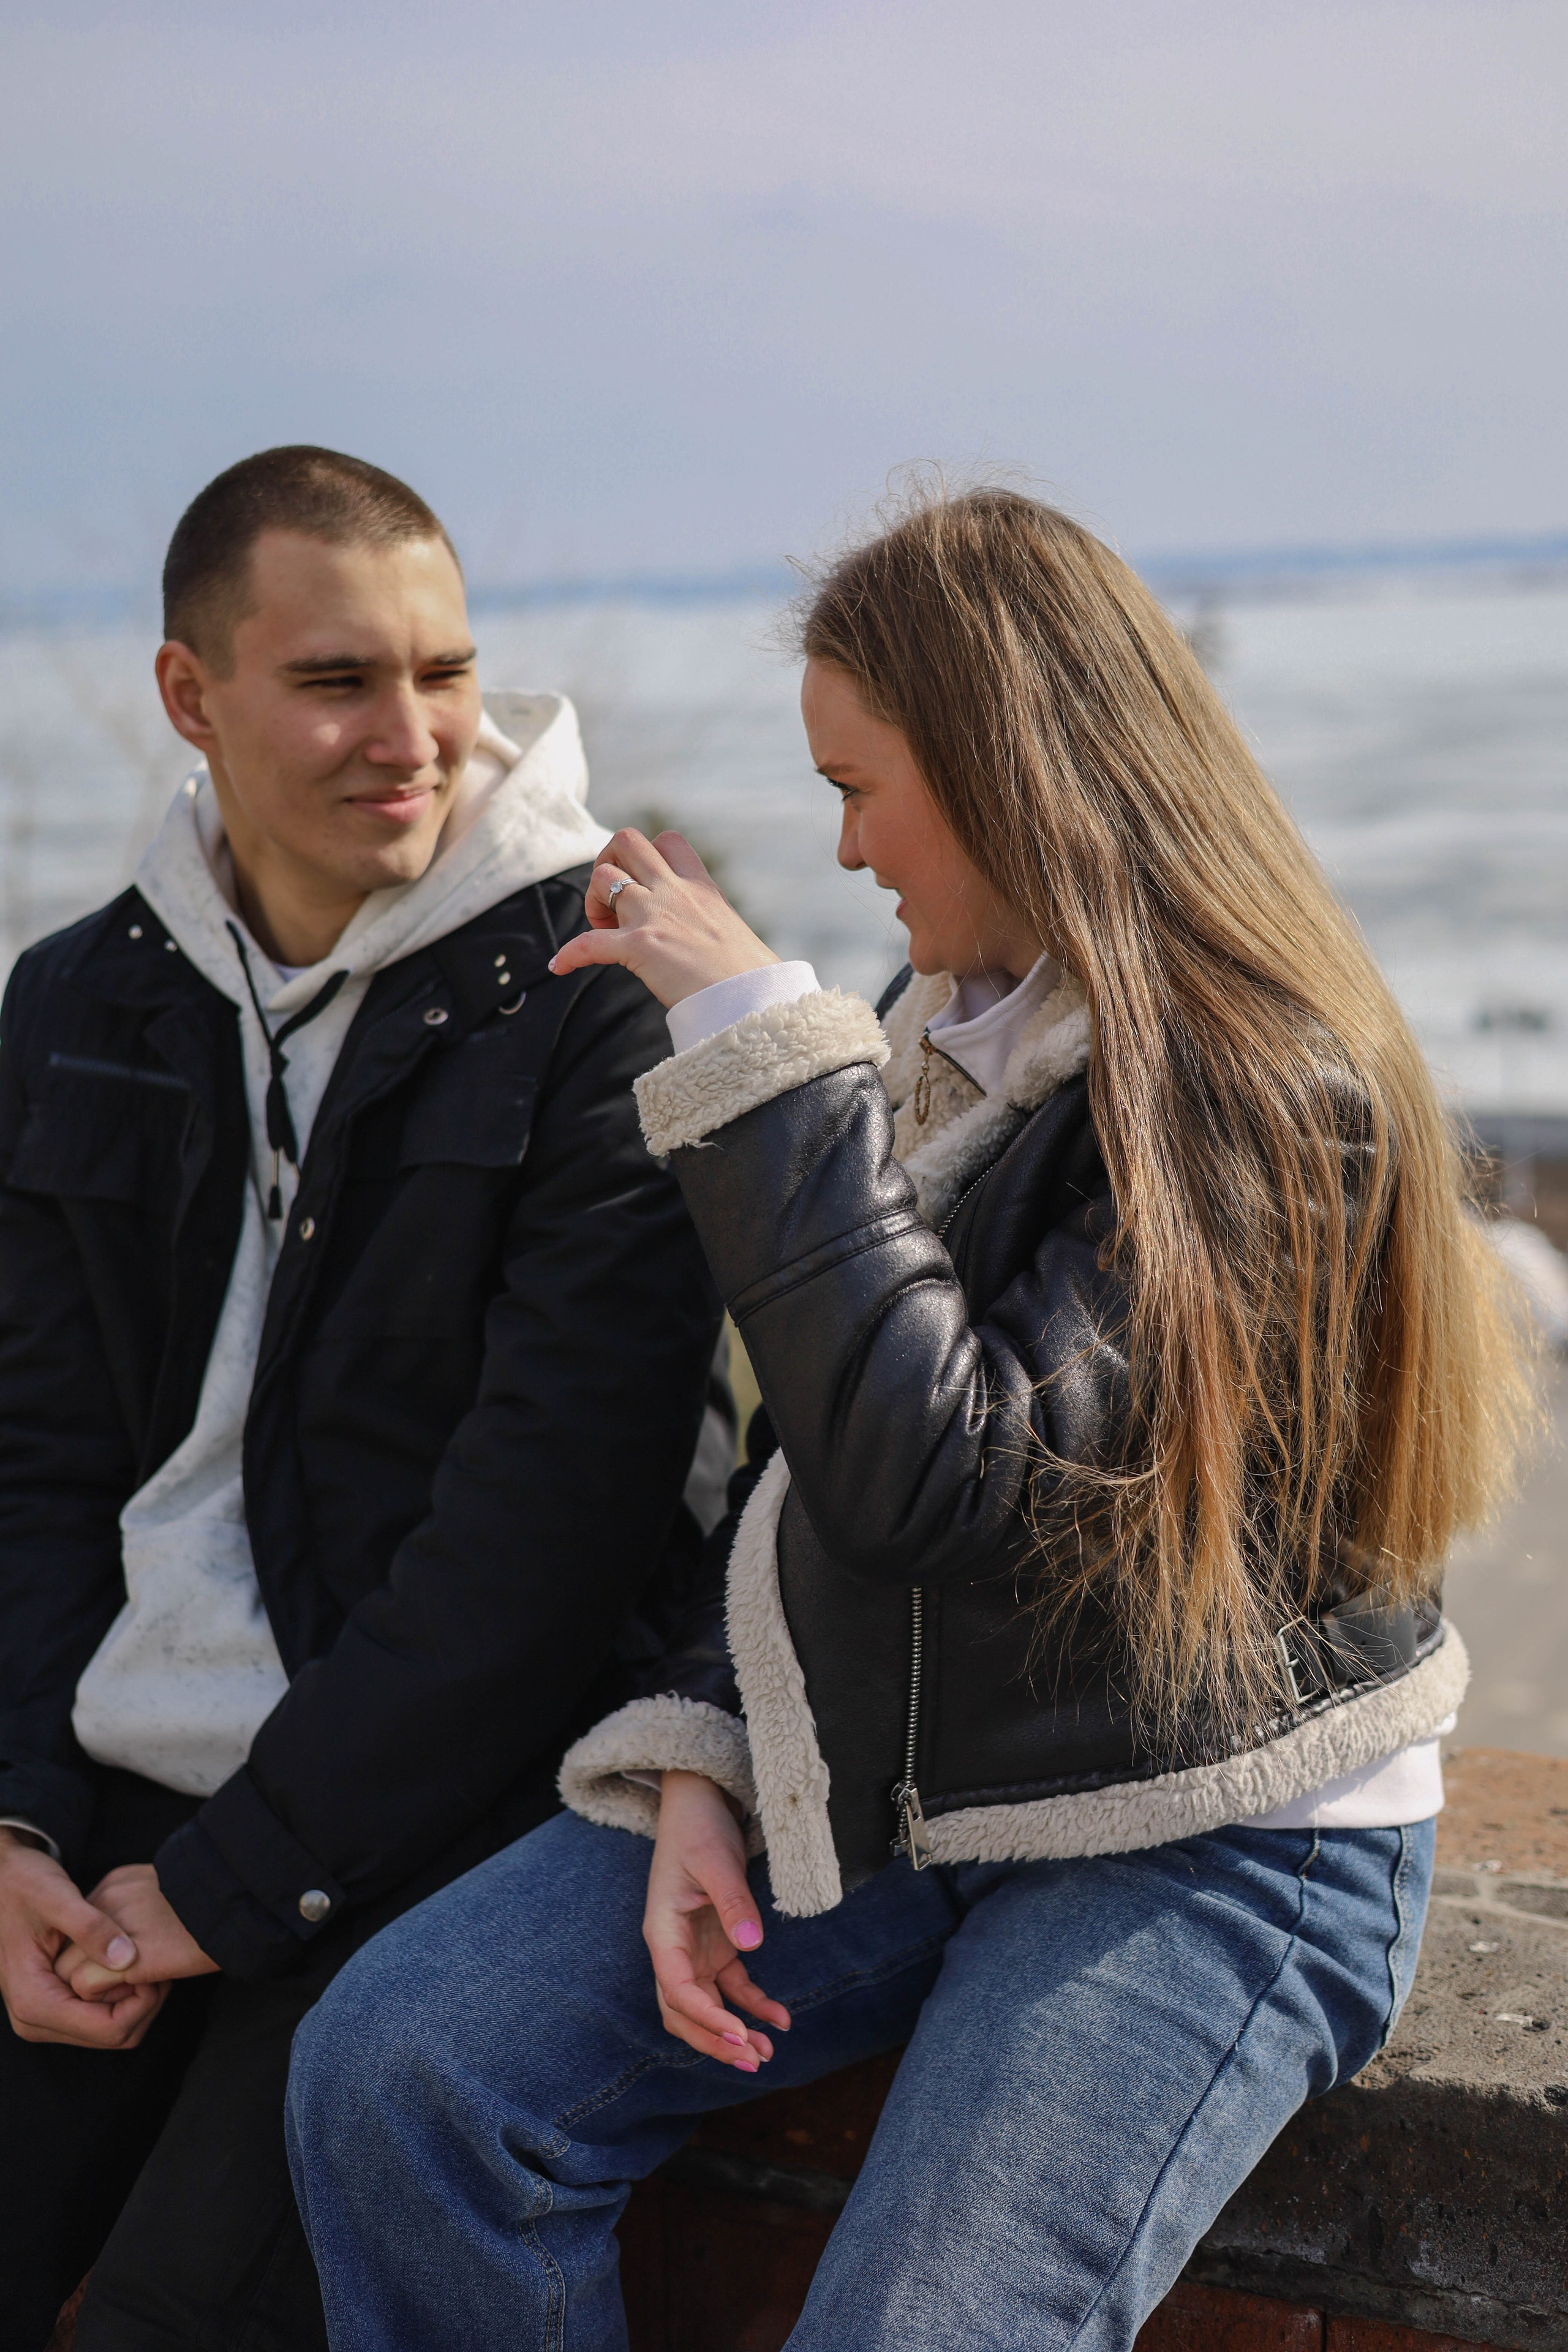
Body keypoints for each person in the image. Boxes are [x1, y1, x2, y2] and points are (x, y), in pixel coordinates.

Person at [285, 488, 1530, 2352]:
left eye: (862, 784)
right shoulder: (957, 1007)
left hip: (1213, 1837)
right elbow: (809, 1472)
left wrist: (764, 1074)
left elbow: (951, 1477)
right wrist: (708, 1748)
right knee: (400, 2074)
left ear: (1003, 765)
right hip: (932, 1776)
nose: (846, 844)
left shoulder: (1274, 1091)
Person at [0, 445, 724, 2351]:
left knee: (173, 2315)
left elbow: (542, 1549)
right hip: (108, 1805)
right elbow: (40, 1464)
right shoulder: (79, 1004)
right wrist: (9, 1830)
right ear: (191, 696)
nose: (409, 736)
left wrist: (234, 1883)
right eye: (336, 681)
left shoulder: (594, 1004)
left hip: (432, 1825)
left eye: (445, 674)